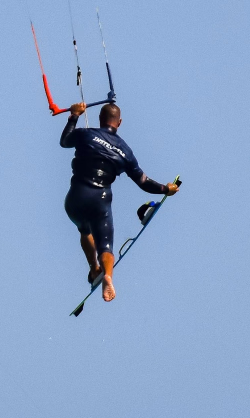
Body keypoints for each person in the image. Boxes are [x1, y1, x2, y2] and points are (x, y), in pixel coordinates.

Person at [60, 100, 179, 302]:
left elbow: (65, 141)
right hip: (100, 200)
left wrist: (74, 115)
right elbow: (144, 182)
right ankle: (107, 275)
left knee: (84, 230)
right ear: (120, 122)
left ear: (100, 118)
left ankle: (94, 269)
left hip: (75, 198)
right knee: (105, 246)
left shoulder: (86, 134)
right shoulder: (125, 151)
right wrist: (165, 189)